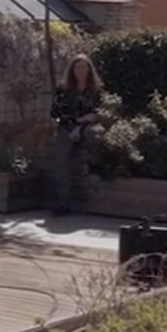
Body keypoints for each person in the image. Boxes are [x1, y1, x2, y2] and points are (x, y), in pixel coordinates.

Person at [49, 54, 103, 214]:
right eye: (77, 67)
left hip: (86, 127)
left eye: (84, 67)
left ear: (90, 70)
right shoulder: (63, 89)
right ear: (72, 70)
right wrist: (74, 123)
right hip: (67, 127)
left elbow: (98, 113)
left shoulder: (96, 90)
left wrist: (81, 125)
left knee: (93, 134)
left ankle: (96, 165)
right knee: (60, 159)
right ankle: (64, 203)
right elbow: (55, 112)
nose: (81, 71)